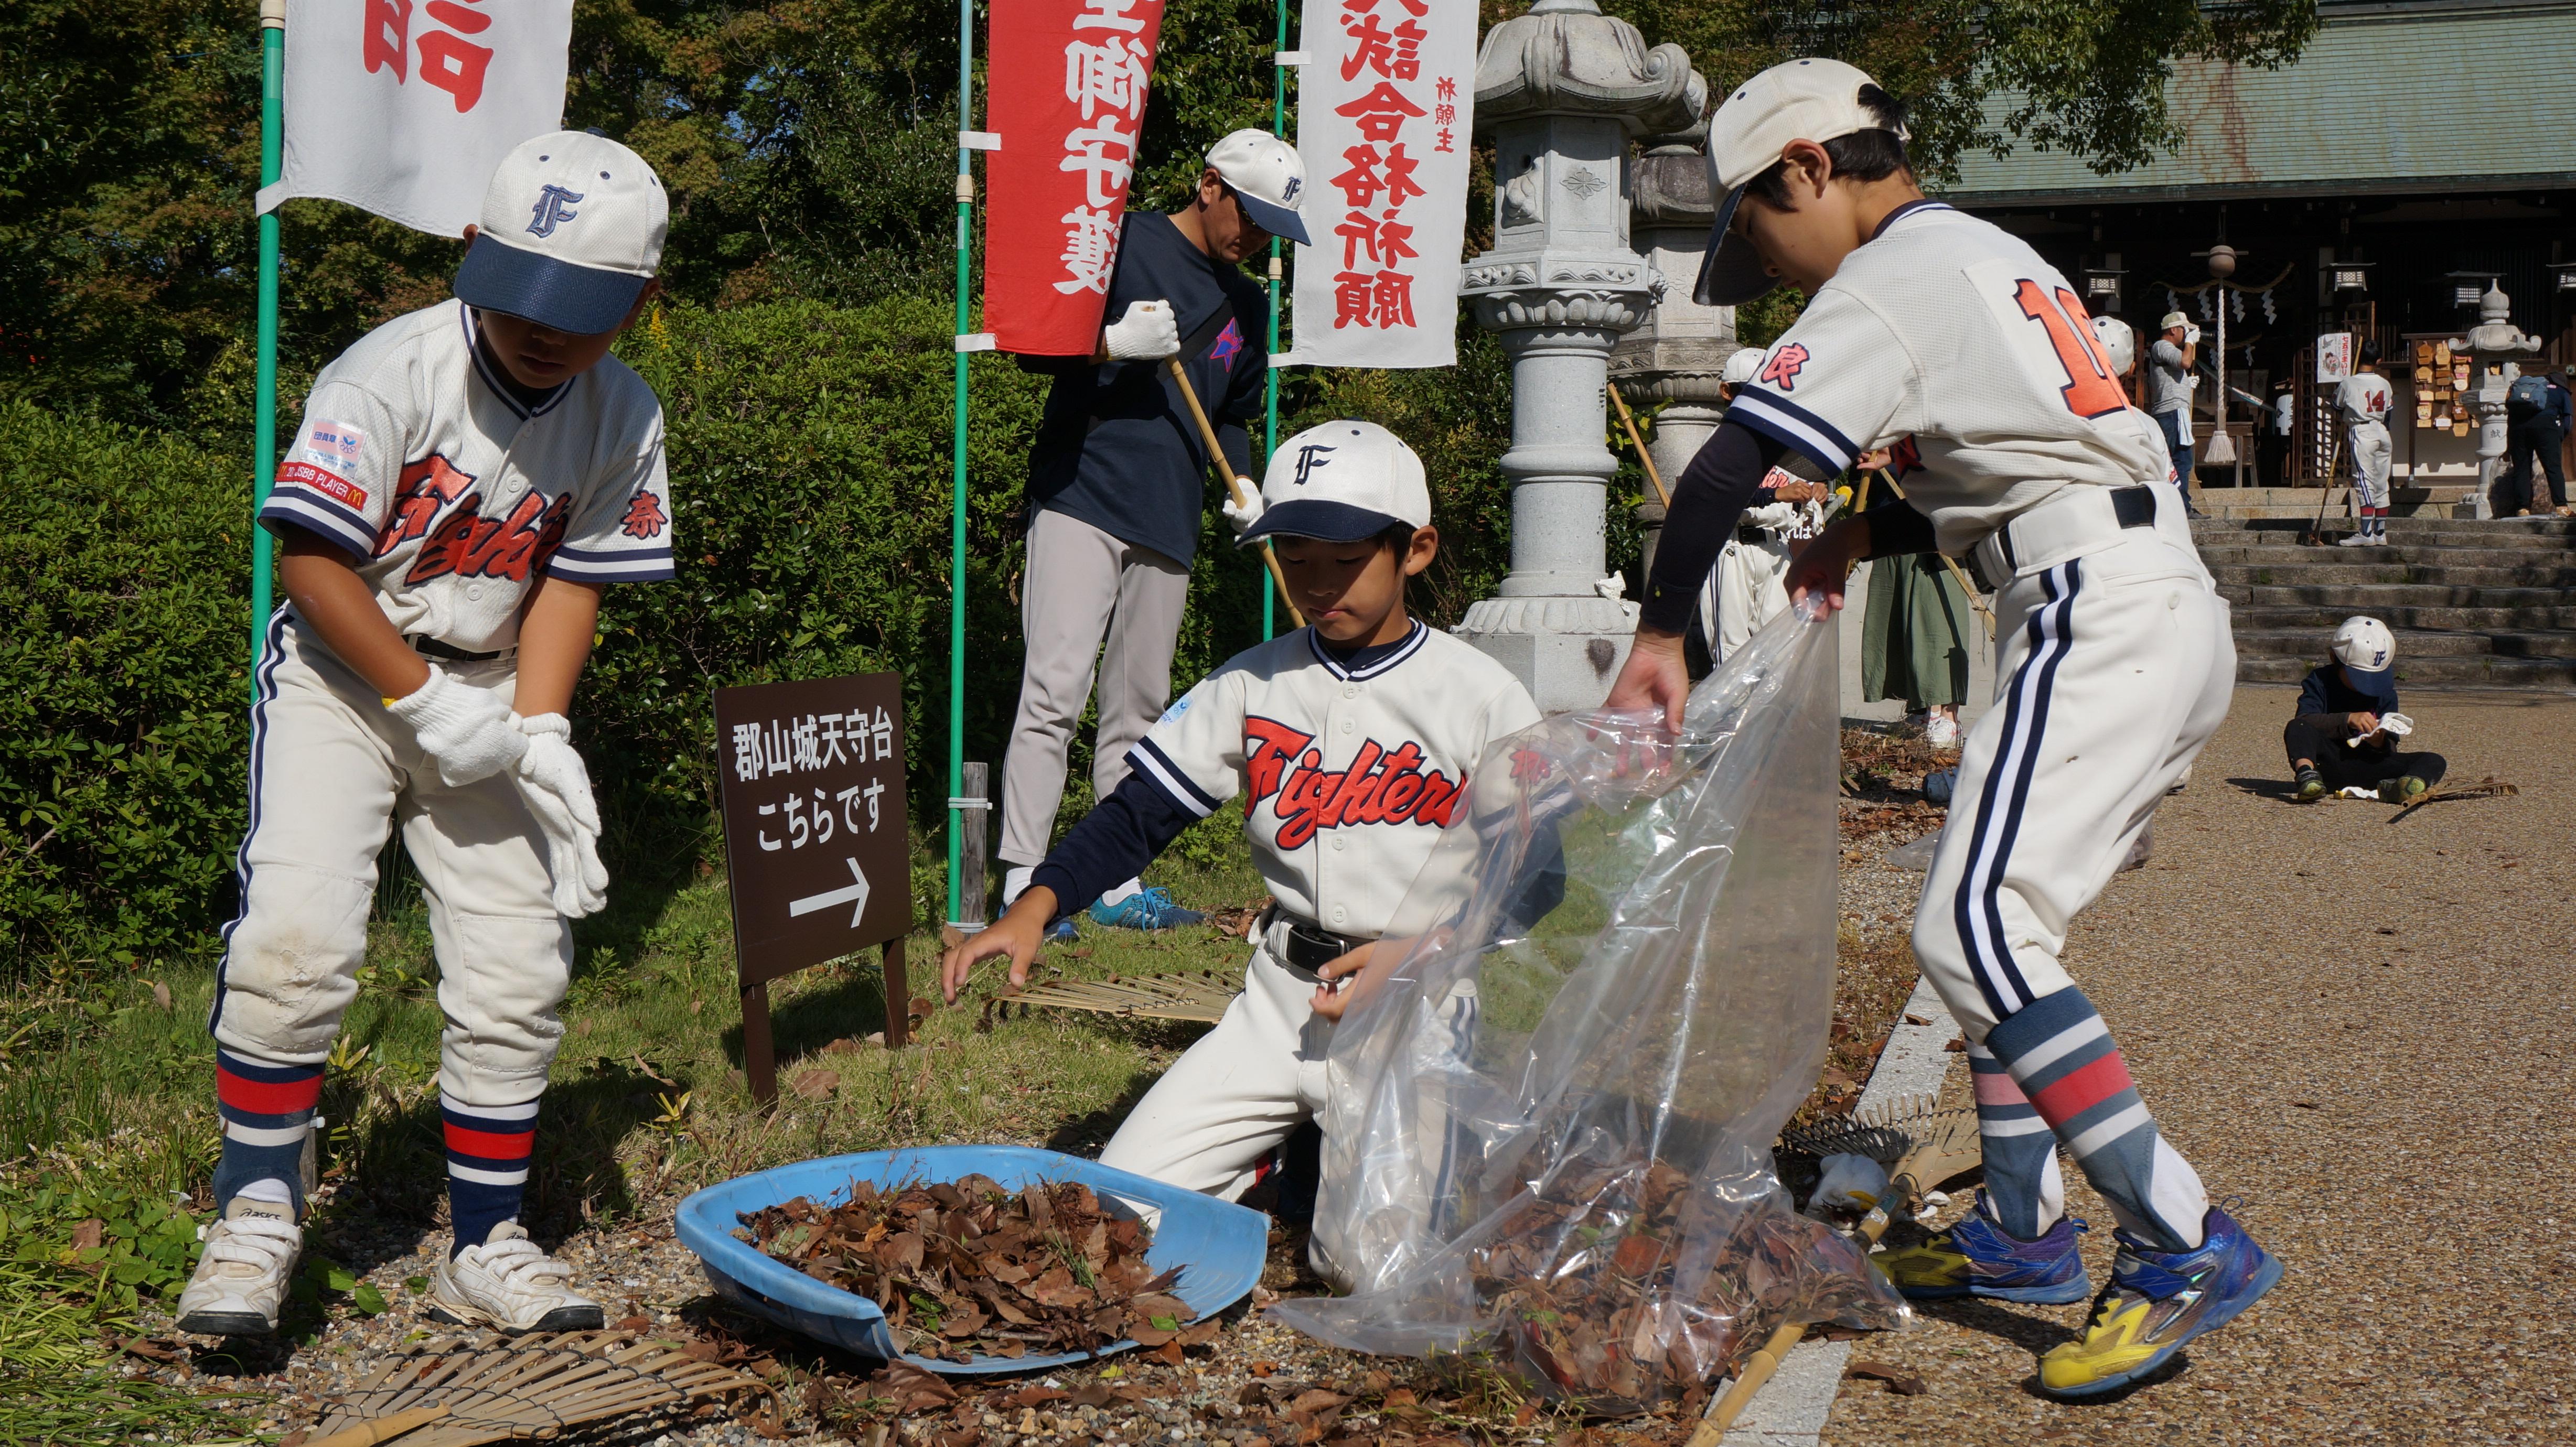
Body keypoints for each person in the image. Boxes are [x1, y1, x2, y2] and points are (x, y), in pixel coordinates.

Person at [1605, 58, 2277, 1399]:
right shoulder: (1981, 254)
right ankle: (2020, 1236)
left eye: (1755, 228)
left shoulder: (1888, 275)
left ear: (1803, 168)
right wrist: (1869, 524)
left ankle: (2181, 1238)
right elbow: (2029, 455)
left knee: (1968, 931)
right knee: (1994, 937)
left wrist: (1662, 633)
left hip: (2096, 608)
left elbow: (1727, 464)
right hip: (2127, 591)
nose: (1770, 267)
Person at [177, 133, 678, 1337]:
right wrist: (418, 699)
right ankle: (252, 1217)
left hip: (498, 682)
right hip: (347, 678)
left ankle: (487, 1238)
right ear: (472, 254)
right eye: (520, 295)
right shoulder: (388, 370)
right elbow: (309, 558)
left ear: (640, 303)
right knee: (298, 932)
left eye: (582, 310)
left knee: (519, 962)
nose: (542, 330)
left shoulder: (622, 411)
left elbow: (572, 578)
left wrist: (543, 725)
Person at [942, 422, 1541, 1233]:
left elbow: (1539, 877)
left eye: (1344, 560)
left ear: (1417, 550)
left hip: (1418, 997)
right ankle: (1284, 1146)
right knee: (1118, 1211)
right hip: (1280, 1002)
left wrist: (1425, 951)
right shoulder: (1253, 684)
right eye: (1296, 558)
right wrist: (1037, 903)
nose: (1318, 583)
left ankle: (1318, 1161)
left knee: (1372, 1268)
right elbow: (1138, 816)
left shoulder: (1483, 696)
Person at [1001, 129, 1309, 935]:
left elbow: (1232, 416)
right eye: (1253, 215)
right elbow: (1030, 340)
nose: (1258, 238)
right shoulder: (1119, 239)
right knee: (1053, 694)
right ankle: (1021, 882)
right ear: (1210, 185)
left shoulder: (1248, 302)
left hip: (1169, 519)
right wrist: (1109, 344)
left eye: (1275, 228)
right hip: (1082, 496)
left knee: (1139, 712)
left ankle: (1113, 883)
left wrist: (1245, 487)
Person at [1703, 347, 1836, 662]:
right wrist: (1776, 495)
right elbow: (1711, 496)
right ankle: (1731, 714)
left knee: (1781, 642)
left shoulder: (1786, 446)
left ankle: (1771, 713)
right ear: (1727, 391)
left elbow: (1808, 485)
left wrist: (1816, 490)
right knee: (1731, 646)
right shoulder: (1718, 441)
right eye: (1750, 391)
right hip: (1734, 547)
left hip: (1778, 548)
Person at [2286, 618, 2445, 803]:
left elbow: (2391, 746)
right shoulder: (2320, 681)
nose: (2368, 686)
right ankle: (2307, 776)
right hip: (2328, 764)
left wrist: (2380, 743)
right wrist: (2347, 719)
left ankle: (2403, 787)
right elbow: (2307, 719)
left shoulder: (2385, 693)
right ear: (2333, 659)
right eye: (2359, 677)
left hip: (2369, 767)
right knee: (2298, 726)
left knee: (2434, 760)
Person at [2147, 310, 2205, 517]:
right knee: (2176, 459)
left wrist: (2185, 384)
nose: (2186, 333)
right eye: (2184, 329)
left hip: (2175, 412)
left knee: (2183, 459)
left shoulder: (2166, 350)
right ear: (2174, 330)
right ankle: (2174, 507)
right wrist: (2190, 342)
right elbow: (2185, 362)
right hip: (2170, 413)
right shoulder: (2162, 346)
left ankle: (2181, 506)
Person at [2336, 341, 2394, 546]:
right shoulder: (2385, 383)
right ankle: (2380, 532)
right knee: (2381, 481)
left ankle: (2367, 533)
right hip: (2382, 430)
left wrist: (2346, 417)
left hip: (2362, 430)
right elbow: (2389, 411)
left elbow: (2337, 405)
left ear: (2357, 359)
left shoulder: (2349, 383)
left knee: (2364, 480)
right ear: (2378, 361)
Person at [2502, 360, 2570, 517]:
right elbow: (2568, 420)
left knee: (2521, 469)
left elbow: (2510, 418)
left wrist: (2508, 447)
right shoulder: (2561, 391)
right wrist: (2560, 436)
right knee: (2553, 468)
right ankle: (2561, 506)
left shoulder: (2525, 390)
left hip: (2518, 430)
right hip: (2546, 429)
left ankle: (2522, 509)